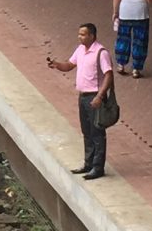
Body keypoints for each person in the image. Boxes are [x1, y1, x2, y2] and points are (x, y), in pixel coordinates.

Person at [47, 23, 113, 180]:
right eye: (79, 34)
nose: (79, 37)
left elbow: (109, 75)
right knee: (86, 131)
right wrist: (57, 65)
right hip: (82, 96)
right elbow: (70, 65)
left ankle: (98, 167)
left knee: (97, 132)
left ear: (92, 36)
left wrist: (100, 96)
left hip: (94, 97)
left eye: (83, 34)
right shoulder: (80, 50)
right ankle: (88, 163)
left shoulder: (100, 53)